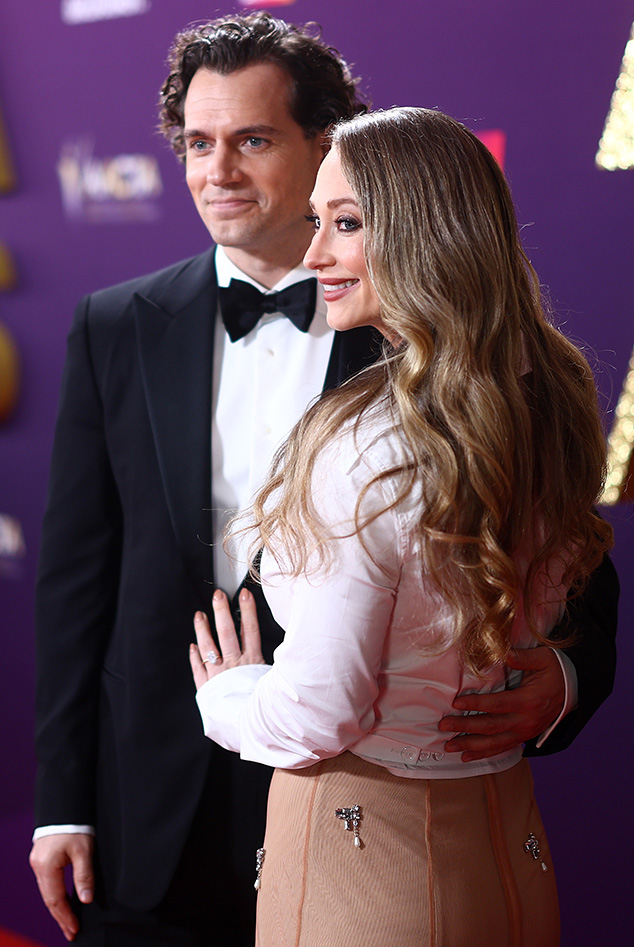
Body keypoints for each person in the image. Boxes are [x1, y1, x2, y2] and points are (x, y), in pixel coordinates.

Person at [29, 10, 617, 946]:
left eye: (252, 139)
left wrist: (571, 676)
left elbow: (569, 553)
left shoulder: (441, 342)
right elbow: (73, 581)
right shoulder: (116, 322)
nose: (217, 171)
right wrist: (61, 802)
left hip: (371, 803)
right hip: (152, 799)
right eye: (197, 143)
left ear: (327, 140)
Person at [191, 106, 615, 946]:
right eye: (319, 222)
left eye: (344, 224)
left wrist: (226, 695)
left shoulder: (365, 444)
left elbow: (323, 713)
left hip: (364, 872)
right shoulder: (550, 398)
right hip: (510, 859)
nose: (313, 253)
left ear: (427, 233)